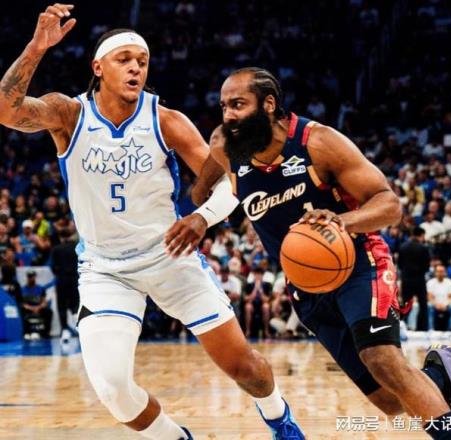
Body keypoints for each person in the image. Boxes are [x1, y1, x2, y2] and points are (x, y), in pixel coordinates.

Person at [0, 7, 303, 440]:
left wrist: (201, 217)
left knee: (244, 368)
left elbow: (231, 182)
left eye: (142, 61)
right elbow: (6, 111)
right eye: (124, 59)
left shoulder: (165, 120)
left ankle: (280, 420)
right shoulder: (68, 114)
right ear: (98, 68)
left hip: (169, 257)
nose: (135, 68)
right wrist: (36, 48)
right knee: (113, 390)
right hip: (105, 269)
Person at [187, 67, 451, 439]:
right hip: (305, 285)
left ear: (269, 104)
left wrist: (343, 221)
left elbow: (390, 204)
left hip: (358, 263)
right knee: (388, 400)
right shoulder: (226, 144)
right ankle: (436, 374)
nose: (228, 115)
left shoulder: (318, 143)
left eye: (238, 104)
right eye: (224, 106)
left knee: (382, 359)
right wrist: (200, 198)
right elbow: (211, 166)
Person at [50, 228, 79, 343]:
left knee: (62, 306)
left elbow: (53, 267)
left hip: (62, 280)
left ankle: (65, 331)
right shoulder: (76, 248)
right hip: (75, 280)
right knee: (75, 305)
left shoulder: (56, 249)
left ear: (61, 238)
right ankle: (79, 325)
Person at [399, 227, 431, 330]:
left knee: (405, 305)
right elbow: (427, 266)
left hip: (406, 280)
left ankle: (403, 327)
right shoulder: (423, 248)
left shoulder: (403, 246)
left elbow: (400, 264)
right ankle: (423, 328)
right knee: (423, 305)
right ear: (421, 235)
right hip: (419, 279)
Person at [427, 265, 451, 331]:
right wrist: (436, 305)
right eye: (438, 271)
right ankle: (430, 329)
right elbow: (429, 297)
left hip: (447, 304)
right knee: (429, 306)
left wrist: (445, 304)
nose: (440, 273)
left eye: (442, 271)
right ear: (435, 273)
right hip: (434, 304)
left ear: (445, 273)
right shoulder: (430, 283)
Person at [21, 270, 52, 339]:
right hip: (28, 309)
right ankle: (26, 332)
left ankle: (46, 333)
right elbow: (22, 303)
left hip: (39, 308)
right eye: (29, 276)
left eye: (32, 276)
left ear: (35, 277)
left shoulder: (40, 288)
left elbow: (44, 302)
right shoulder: (23, 289)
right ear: (27, 277)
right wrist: (31, 308)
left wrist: (38, 307)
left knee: (48, 311)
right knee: (21, 311)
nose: (31, 278)